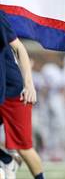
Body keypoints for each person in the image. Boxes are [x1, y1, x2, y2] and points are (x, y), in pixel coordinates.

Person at [0, 10, 45, 179]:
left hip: (12, 91)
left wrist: (29, 84)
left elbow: (19, 47)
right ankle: (6, 160)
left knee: (24, 147)